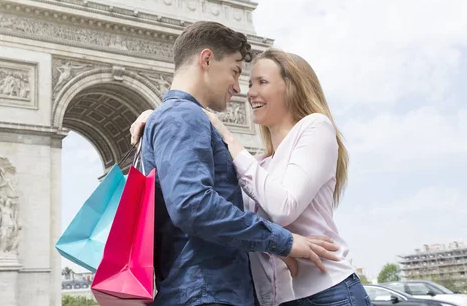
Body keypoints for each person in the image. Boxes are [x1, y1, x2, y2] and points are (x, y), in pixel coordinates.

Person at [132, 47, 370, 306]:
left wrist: (227, 135)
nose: (249, 93)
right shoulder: (258, 166)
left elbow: (283, 207)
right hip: (281, 299)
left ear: (292, 87)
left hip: (329, 293)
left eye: (262, 82)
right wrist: (158, 118)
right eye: (248, 83)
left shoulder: (316, 127)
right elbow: (228, 218)